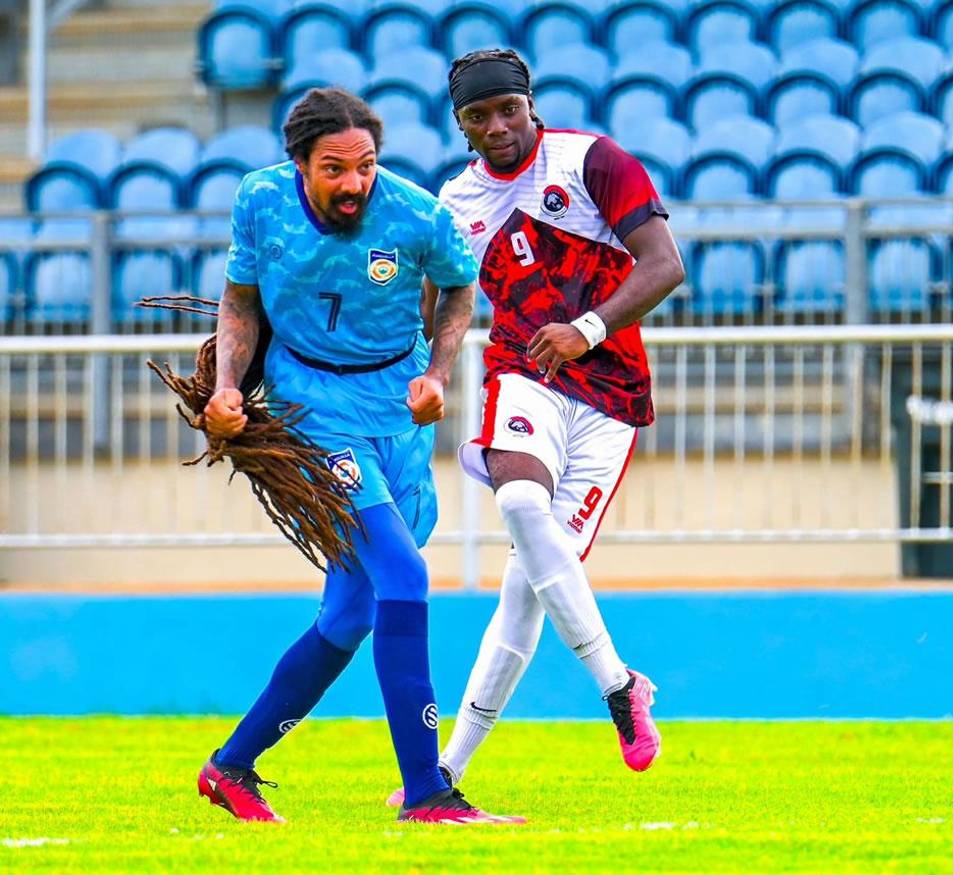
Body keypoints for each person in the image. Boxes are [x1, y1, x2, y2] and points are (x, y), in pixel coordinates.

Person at [196, 86, 522, 826]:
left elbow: (462, 288)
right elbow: (241, 300)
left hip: (398, 412)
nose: (354, 183)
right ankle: (429, 794)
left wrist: (438, 374)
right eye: (335, 169)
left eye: (366, 166)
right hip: (311, 406)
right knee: (404, 573)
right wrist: (225, 388)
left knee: (351, 613)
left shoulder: (416, 214)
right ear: (300, 165)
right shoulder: (260, 201)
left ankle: (230, 766)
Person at [388, 48, 686, 808]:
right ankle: (620, 687)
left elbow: (664, 264)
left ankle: (446, 770)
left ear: (531, 105)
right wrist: (418, 374)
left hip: (611, 393)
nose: (497, 127)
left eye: (507, 110)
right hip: (528, 375)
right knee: (519, 506)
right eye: (477, 117)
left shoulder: (591, 160)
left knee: (524, 588)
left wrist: (586, 327)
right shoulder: (454, 205)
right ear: (460, 127)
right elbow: (439, 304)